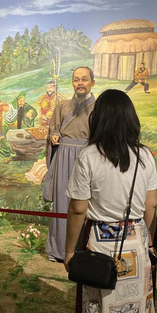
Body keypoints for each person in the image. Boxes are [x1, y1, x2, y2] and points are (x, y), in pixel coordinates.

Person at [65, 89, 157, 313]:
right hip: (136, 246)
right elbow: (151, 206)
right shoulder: (144, 156)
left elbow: (78, 209)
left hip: (102, 249)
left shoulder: (89, 157)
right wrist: (146, 241)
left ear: (98, 119)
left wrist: (69, 251)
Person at [43, 66, 96, 262]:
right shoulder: (62, 106)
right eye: (76, 79)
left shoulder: (98, 107)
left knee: (84, 203)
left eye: (84, 79)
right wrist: (54, 136)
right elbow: (53, 130)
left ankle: (83, 250)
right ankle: (58, 250)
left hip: (86, 157)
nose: (80, 83)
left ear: (92, 82)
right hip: (64, 156)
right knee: (62, 202)